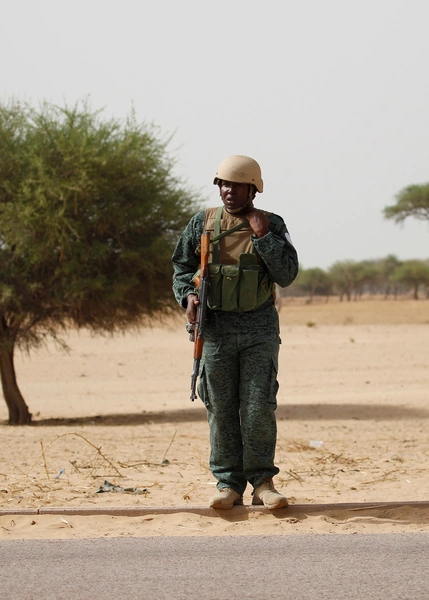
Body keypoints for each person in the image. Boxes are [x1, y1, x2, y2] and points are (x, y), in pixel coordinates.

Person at [172, 155, 298, 509]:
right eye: (223, 184)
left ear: (252, 190)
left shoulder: (272, 223)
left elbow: (287, 274)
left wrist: (263, 237)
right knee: (221, 409)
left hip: (258, 328)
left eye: (237, 185)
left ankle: (263, 483)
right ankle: (228, 485)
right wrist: (189, 295)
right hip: (216, 330)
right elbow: (181, 268)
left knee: (258, 407)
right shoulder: (203, 224)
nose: (229, 191)